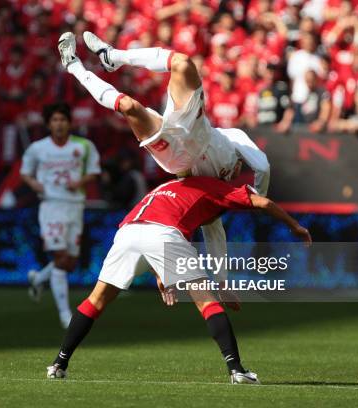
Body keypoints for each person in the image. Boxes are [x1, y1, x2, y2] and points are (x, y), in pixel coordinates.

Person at [46, 175, 312, 384]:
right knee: (206, 302)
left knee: (96, 300)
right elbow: (263, 203)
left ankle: (58, 363)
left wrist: (162, 273)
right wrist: (295, 225)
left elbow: (147, 233)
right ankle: (236, 369)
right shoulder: (216, 186)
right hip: (164, 234)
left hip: (127, 231)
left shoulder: (167, 186)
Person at [57, 31, 270, 285]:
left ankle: (73, 66)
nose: (234, 175)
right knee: (182, 63)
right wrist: (257, 199)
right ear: (238, 163)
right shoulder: (233, 137)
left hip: (174, 156)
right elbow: (263, 165)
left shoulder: (216, 193)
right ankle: (112, 56)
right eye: (237, 170)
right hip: (193, 125)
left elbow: (214, 234)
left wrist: (222, 281)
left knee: (129, 107)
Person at [21, 102, 101, 329]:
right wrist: (34, 183)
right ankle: (66, 315)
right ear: (48, 124)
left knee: (69, 262)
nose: (59, 124)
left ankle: (38, 279)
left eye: (63, 120)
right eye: (54, 120)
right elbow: (25, 172)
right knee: (61, 257)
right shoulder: (38, 148)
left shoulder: (84, 146)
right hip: (50, 205)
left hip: (75, 205)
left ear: (69, 123)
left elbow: (94, 171)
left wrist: (81, 181)